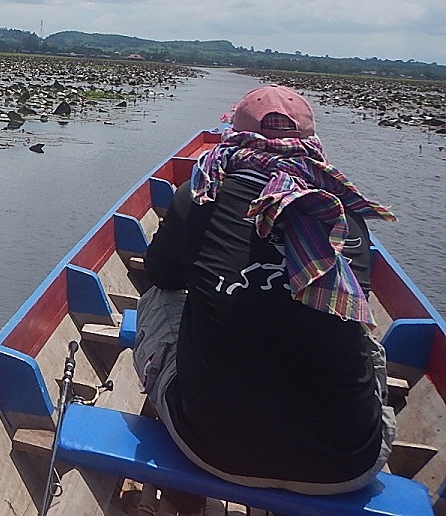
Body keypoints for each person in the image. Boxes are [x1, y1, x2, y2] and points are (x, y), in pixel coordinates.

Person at [134, 85, 397, 494]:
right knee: (360, 326)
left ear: (234, 136)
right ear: (310, 141)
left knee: (159, 297)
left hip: (211, 452)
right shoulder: (342, 209)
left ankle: (177, 461)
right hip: (350, 466)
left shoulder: (202, 194)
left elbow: (161, 276)